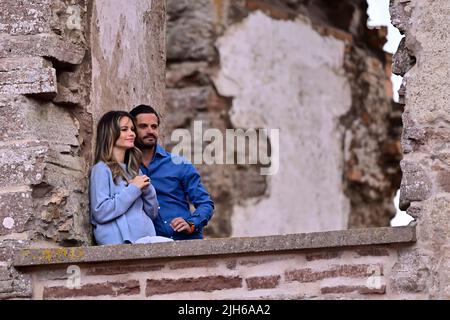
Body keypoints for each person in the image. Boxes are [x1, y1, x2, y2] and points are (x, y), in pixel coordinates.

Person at [130, 105, 214, 240]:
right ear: (132, 130)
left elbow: (205, 203)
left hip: (185, 242)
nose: (150, 131)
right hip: (149, 247)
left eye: (154, 126)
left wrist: (191, 223)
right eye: (143, 126)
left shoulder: (179, 164)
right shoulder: (126, 168)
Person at [89, 110, 173, 245]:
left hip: (146, 239)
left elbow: (152, 214)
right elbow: (101, 212)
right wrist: (133, 189)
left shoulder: (133, 170)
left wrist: (147, 189)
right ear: (110, 134)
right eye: (124, 129)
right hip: (122, 243)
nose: (132, 133)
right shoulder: (101, 169)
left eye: (132, 129)